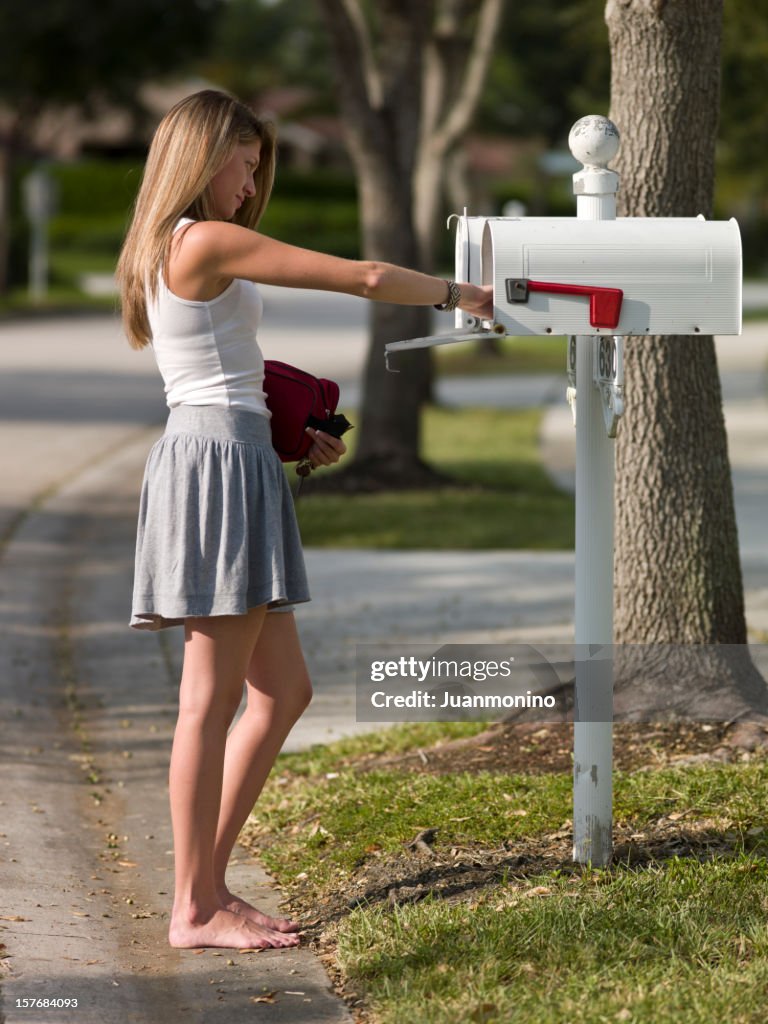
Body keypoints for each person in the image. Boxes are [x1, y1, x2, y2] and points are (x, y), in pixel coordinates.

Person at [116, 88, 493, 952]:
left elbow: (227, 364)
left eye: (255, 170)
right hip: (215, 465)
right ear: (204, 158)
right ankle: (193, 907)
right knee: (206, 702)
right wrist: (457, 293)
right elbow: (359, 277)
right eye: (245, 167)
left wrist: (292, 436)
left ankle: (207, 886)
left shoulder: (170, 245)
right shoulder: (201, 239)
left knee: (284, 692)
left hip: (235, 457)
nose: (251, 188)